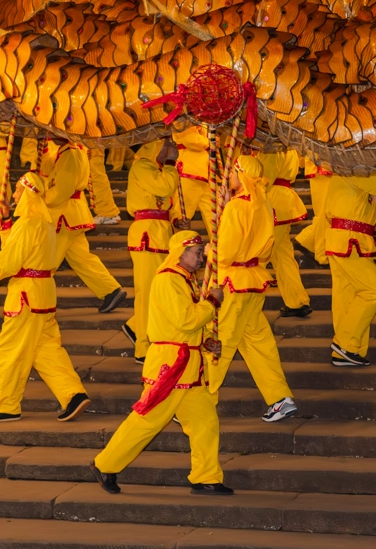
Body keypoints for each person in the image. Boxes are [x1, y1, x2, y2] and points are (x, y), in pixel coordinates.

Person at [93, 231, 230, 494]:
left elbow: (183, 326)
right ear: (180, 252)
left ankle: (206, 476)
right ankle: (105, 464)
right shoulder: (169, 279)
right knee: (150, 419)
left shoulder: (185, 279)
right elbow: (186, 320)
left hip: (189, 363)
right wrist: (212, 301)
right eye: (197, 253)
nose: (202, 258)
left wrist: (206, 341)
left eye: (202, 252)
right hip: (172, 364)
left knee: (205, 421)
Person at [0, 171, 90, 422]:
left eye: (18, 191)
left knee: (11, 351)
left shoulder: (29, 222)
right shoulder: (45, 222)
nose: (15, 196)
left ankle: (6, 406)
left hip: (25, 295)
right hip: (43, 293)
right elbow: (22, 249)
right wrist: (7, 221)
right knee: (47, 349)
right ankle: (73, 394)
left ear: (28, 192)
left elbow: (12, 258)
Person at [208, 156, 297, 423]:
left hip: (233, 282)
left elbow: (225, 252)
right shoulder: (264, 204)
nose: (228, 177)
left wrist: (209, 251)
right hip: (254, 282)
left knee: (219, 341)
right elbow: (268, 246)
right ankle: (280, 398)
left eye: (232, 172)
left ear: (240, 174)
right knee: (259, 343)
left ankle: (202, 398)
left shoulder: (237, 207)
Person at [44, 138, 127, 313]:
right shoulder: (67, 151)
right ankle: (110, 290)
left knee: (46, 259)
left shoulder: (71, 154)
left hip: (64, 215)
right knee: (81, 258)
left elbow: (62, 190)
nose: (49, 135)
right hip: (70, 215)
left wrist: (42, 198)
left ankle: (35, 298)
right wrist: (43, 150)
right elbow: (46, 171)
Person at [325, 170, 376, 367]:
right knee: (373, 291)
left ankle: (347, 352)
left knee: (346, 296)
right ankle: (344, 344)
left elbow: (353, 207)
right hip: (347, 239)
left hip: (349, 236)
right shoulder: (353, 165)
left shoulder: (356, 167)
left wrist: (372, 227)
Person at [123, 139, 182, 359]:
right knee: (147, 291)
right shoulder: (142, 166)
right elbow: (165, 187)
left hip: (162, 233)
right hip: (147, 235)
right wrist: (170, 163)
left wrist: (176, 220)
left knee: (162, 289)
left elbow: (167, 201)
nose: (171, 146)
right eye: (165, 143)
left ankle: (135, 327)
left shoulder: (157, 169)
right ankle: (143, 347)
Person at [264, 149, 313, 319]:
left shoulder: (271, 149)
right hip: (281, 201)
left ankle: (244, 296)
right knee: (283, 256)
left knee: (260, 253)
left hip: (271, 201)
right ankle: (297, 301)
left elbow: (264, 180)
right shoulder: (287, 146)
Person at [294, 158, 333, 264]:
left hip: (323, 167)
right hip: (325, 167)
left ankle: (307, 240)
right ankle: (321, 253)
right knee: (326, 213)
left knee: (326, 212)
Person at [174, 124, 213, 222]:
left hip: (204, 173)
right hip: (188, 172)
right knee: (182, 215)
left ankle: (219, 237)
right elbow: (193, 141)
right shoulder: (181, 121)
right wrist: (209, 141)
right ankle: (179, 237)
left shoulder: (200, 120)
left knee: (213, 216)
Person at [87, 147, 121, 224]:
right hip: (87, 140)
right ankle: (107, 212)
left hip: (90, 140)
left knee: (94, 174)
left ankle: (108, 213)